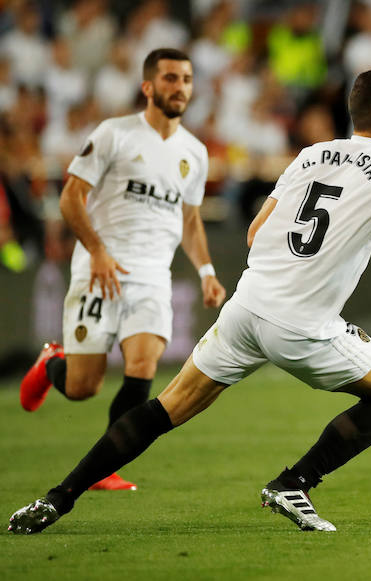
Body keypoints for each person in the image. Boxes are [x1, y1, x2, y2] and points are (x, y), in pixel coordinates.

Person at [9, 66, 371, 534]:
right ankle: (295, 482)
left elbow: (255, 231)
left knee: (163, 410)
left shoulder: (312, 154)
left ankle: (56, 498)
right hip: (303, 326)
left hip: (245, 308)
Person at [18, 48, 226, 491]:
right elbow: (70, 197)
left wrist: (206, 269)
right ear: (148, 87)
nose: (180, 87)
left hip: (153, 275)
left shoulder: (195, 152)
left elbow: (189, 220)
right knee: (83, 387)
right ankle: (52, 360)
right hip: (100, 268)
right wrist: (95, 250)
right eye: (170, 78)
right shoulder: (115, 135)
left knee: (143, 363)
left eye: (187, 79)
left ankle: (105, 466)